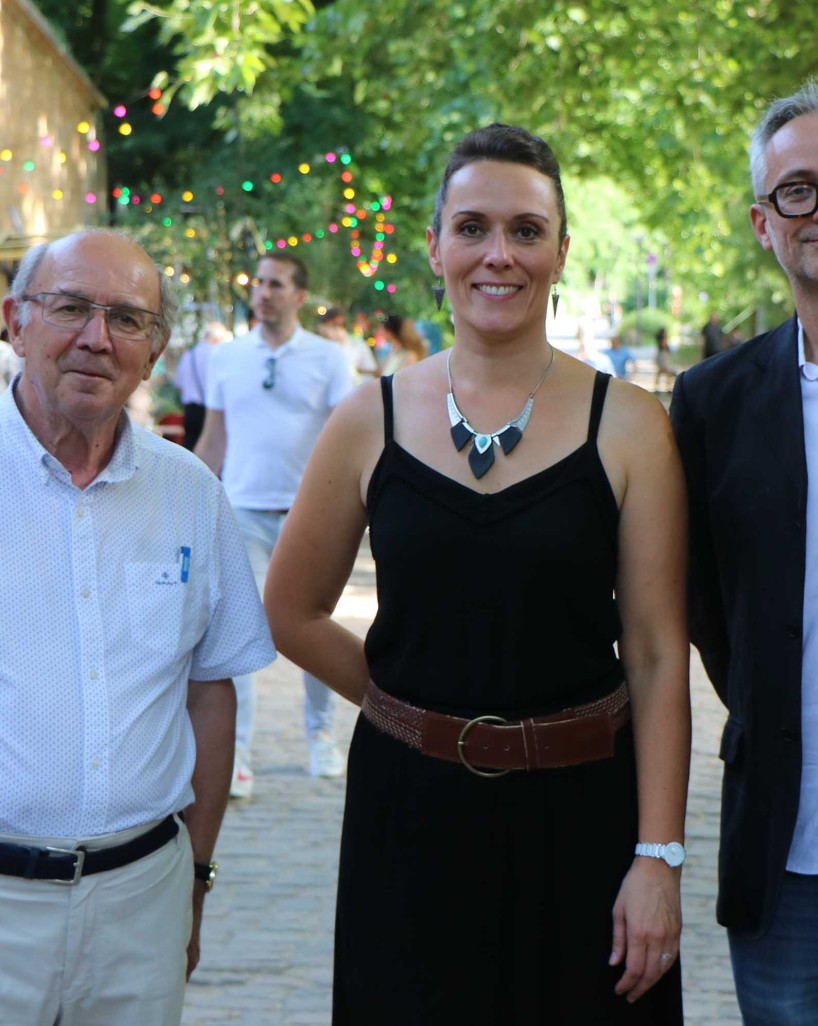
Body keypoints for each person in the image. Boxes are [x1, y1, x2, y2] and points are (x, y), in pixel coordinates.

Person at [265, 123, 690, 1023]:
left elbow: (656, 656)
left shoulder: (630, 426)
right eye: (473, 227)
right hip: (408, 819)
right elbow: (292, 612)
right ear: (435, 246)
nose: (499, 255)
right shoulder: (365, 420)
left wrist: (660, 855)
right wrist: (405, 709)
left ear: (561, 251)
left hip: (586, 821)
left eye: (527, 231)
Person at [670, 79, 818, 1024]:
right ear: (764, 223)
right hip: (797, 853)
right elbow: (700, 610)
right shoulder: (711, 404)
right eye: (797, 190)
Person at [0, 230, 275, 1024]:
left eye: (127, 319)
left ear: (154, 352)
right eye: (72, 307)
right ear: (17, 321)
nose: (96, 338)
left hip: (141, 907)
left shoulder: (191, 494)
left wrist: (195, 877)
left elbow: (209, 692)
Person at [194, 251, 353, 791]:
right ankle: (236, 757)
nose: (264, 293)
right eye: (258, 283)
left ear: (299, 296)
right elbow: (214, 438)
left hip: (310, 517)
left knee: (313, 631)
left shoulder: (328, 359)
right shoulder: (227, 357)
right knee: (238, 636)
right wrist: (189, 498)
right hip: (241, 509)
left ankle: (321, 740)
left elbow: (347, 441)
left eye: (276, 284)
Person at [173, 320, 232, 450]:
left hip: (190, 411)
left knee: (190, 451)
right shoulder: (217, 355)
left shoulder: (188, 355)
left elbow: (178, 382)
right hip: (211, 411)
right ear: (216, 338)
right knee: (212, 451)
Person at [318, 306, 379, 384]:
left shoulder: (358, 345)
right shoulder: (319, 348)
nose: (330, 331)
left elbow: (372, 373)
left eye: (336, 325)